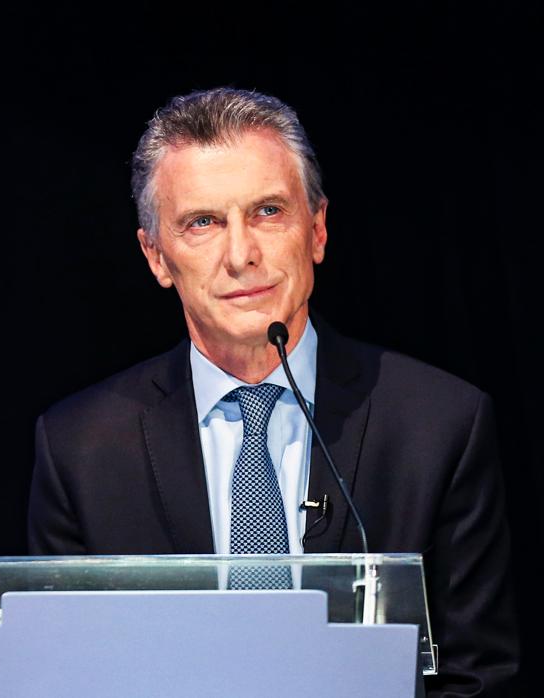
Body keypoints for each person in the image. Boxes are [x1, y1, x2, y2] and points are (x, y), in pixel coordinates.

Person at [27, 87, 517, 695]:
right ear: (156, 256)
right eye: (202, 223)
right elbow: (67, 676)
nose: (241, 255)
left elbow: (479, 678)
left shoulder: (440, 424)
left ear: (316, 230)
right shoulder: (81, 447)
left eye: (267, 212)